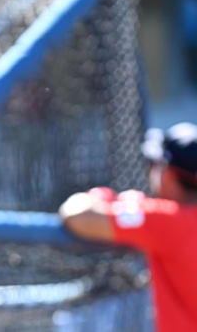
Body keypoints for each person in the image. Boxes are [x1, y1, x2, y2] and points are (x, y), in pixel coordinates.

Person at [59, 122, 197, 332]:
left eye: (155, 166)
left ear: (168, 175)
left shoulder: (171, 220)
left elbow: (77, 215)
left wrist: (103, 198)